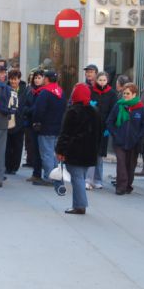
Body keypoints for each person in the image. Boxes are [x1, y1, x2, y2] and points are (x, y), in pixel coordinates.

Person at [55, 83, 102, 215]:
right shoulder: (94, 111)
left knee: (77, 178)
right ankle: (79, 204)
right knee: (80, 177)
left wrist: (60, 150)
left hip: (74, 150)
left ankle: (80, 205)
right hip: (89, 151)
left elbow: (65, 133)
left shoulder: (73, 111)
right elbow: (98, 133)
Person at [106, 82, 144, 195]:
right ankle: (120, 187)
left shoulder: (141, 109)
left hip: (133, 142)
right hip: (119, 141)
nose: (125, 95)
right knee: (121, 163)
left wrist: (138, 137)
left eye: (128, 93)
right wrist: (115, 134)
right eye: (124, 93)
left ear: (134, 94)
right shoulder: (118, 106)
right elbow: (109, 122)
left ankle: (128, 185)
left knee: (131, 165)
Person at [32, 71, 66, 187]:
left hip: (46, 127)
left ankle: (49, 177)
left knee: (46, 153)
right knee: (55, 154)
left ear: (46, 79)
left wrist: (36, 122)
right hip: (58, 127)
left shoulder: (45, 93)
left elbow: (39, 110)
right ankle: (57, 176)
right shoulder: (61, 92)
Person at [88, 71, 118, 189]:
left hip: (104, 127)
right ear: (96, 80)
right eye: (100, 80)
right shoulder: (91, 91)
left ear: (107, 81)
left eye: (104, 80)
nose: (102, 82)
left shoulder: (111, 93)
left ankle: (98, 179)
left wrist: (109, 127)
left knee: (99, 155)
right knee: (90, 153)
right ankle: (88, 179)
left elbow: (113, 111)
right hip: (91, 126)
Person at [5, 69, 26, 175]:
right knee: (7, 145)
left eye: (15, 79)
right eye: (11, 79)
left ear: (19, 79)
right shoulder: (6, 89)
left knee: (18, 145)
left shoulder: (25, 90)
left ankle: (15, 166)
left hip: (20, 121)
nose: (13, 82)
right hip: (8, 120)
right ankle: (7, 166)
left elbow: (27, 104)